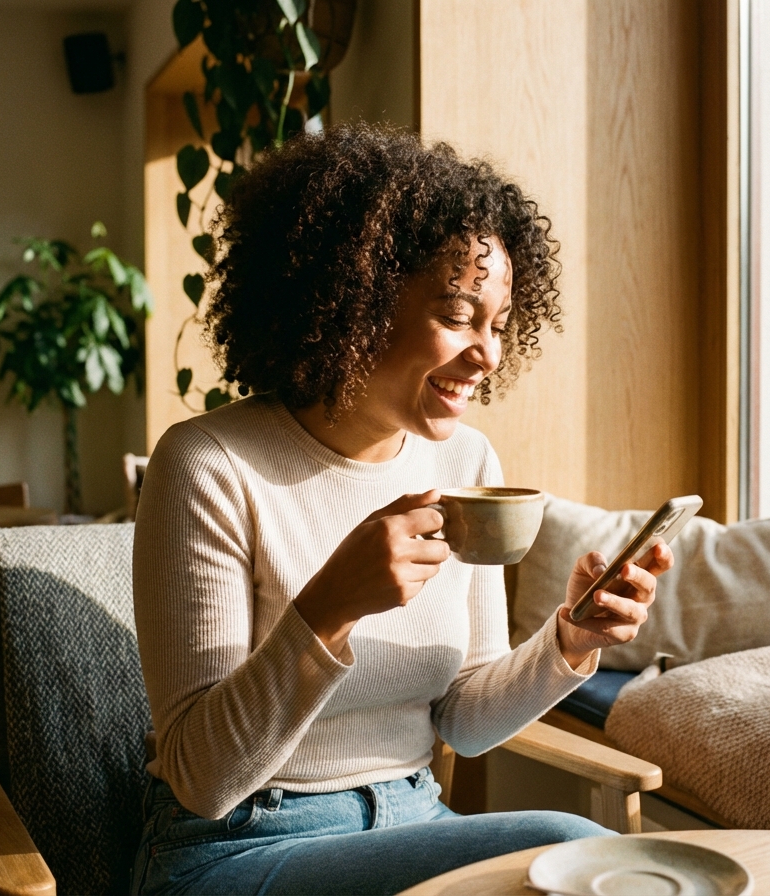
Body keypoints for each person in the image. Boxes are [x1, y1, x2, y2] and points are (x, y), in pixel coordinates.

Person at [131, 124, 674, 895]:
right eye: (458, 315)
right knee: (573, 846)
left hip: (414, 822)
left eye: (497, 324)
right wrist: (327, 609)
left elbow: (464, 719)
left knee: (597, 865)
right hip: (237, 847)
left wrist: (570, 640)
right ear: (355, 297)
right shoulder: (209, 466)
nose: (487, 354)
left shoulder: (466, 464)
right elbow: (201, 778)